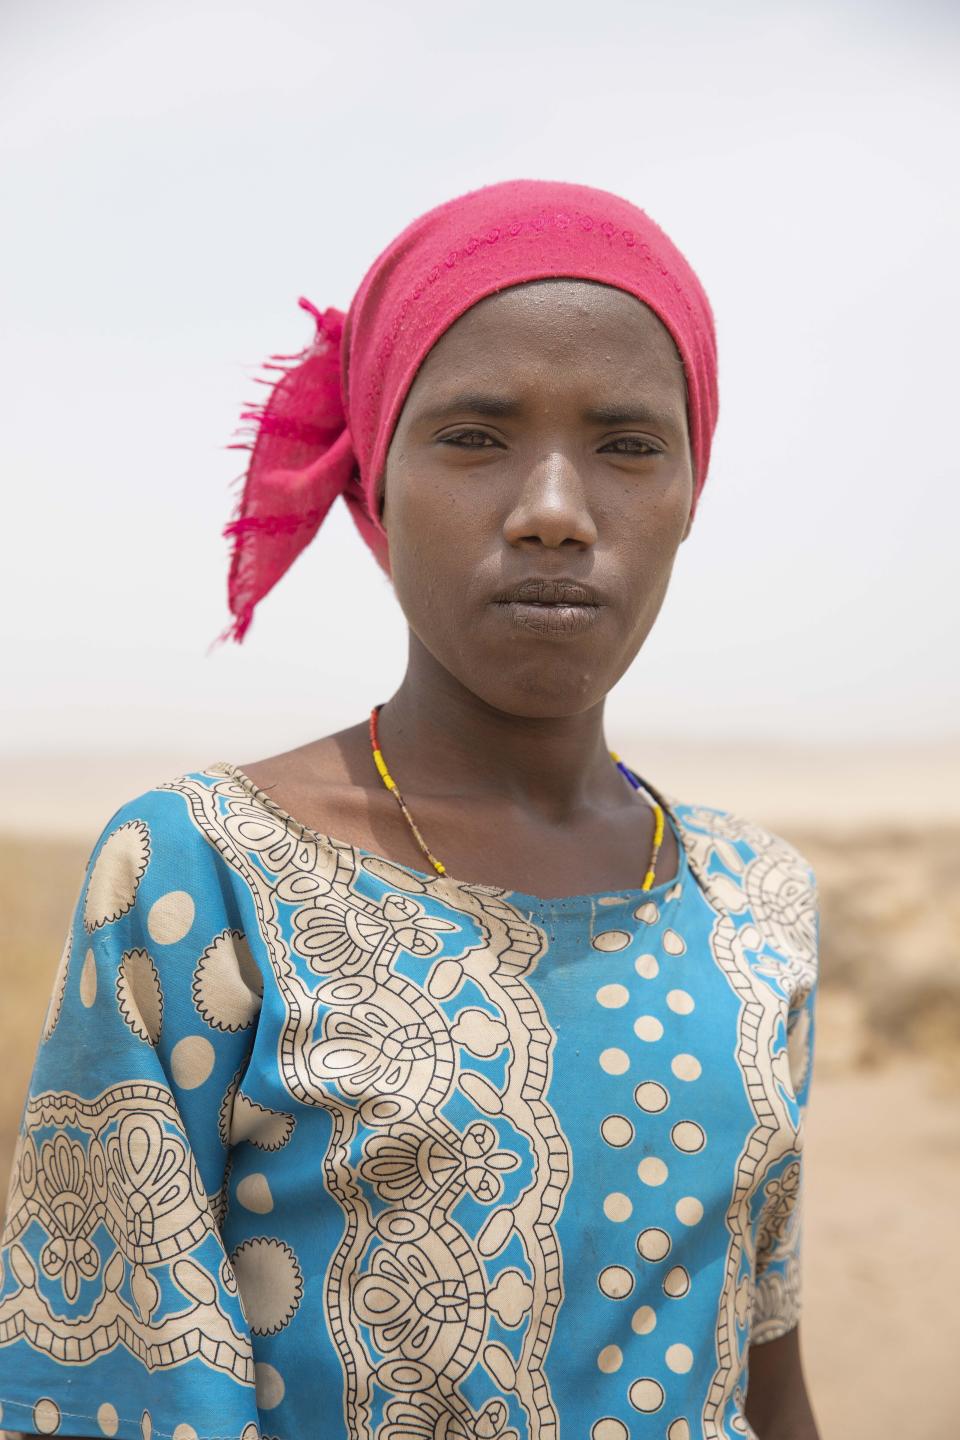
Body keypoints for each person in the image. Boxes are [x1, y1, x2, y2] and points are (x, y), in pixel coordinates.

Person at [0, 179, 821, 1440]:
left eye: (629, 443)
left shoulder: (755, 902)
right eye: (475, 436)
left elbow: (761, 1368)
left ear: (691, 493)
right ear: (376, 483)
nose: (554, 509)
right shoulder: (200, 872)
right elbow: (115, 1383)